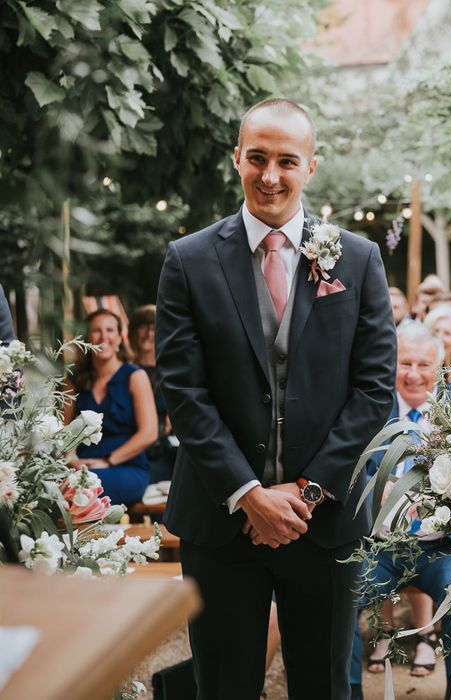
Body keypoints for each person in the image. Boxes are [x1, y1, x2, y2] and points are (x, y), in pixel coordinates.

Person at [155, 98, 397, 700]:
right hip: (220, 521)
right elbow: (184, 391)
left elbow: (373, 389)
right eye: (257, 158)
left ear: (310, 167)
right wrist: (249, 495)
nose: (270, 175)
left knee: (323, 687)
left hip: (325, 524)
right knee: (224, 687)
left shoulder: (360, 259)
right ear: (237, 159)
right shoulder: (188, 260)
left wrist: (308, 491)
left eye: (286, 161)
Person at [357, 322, 451, 700]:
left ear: (440, 366)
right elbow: (352, 465)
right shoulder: (369, 406)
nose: (414, 374)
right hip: (378, 546)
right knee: (338, 594)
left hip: (440, 547)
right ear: (391, 364)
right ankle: (348, 692)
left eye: (423, 364)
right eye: (405, 363)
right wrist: (375, 486)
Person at [65, 309, 157, 505]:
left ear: (119, 338)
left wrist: (108, 461)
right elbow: (63, 432)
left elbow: (149, 433)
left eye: (110, 330)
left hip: (125, 467)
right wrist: (72, 460)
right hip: (80, 467)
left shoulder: (135, 376)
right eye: (96, 331)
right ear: (86, 338)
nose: (103, 336)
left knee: (82, 489)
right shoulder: (74, 380)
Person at [128, 304, 177, 484]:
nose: (149, 333)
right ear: (133, 331)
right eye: (143, 327)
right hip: (130, 448)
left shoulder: (173, 371)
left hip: (163, 449)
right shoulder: (122, 370)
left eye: (154, 327)